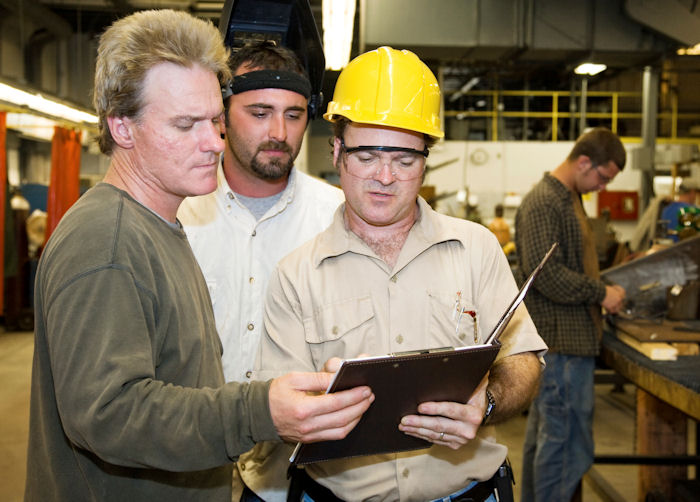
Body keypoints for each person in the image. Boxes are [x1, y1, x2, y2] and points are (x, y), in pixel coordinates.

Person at [23, 10, 373, 502]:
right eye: (186, 125)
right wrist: (259, 411)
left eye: (213, 120)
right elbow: (107, 414)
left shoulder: (161, 225)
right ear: (122, 128)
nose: (213, 142)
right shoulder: (107, 240)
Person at [253, 46, 547, 502]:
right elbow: (278, 414)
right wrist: (316, 408)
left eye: (405, 160)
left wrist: (485, 403)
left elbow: (525, 362)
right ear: (336, 151)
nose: (385, 177)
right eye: (366, 156)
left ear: (426, 160)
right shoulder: (296, 275)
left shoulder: (476, 249)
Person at [177, 40, 344, 502]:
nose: (279, 131)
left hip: (289, 474)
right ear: (222, 116)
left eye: (293, 115)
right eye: (259, 112)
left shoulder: (337, 217)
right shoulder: (179, 215)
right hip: (193, 458)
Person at [514, 127, 627, 502]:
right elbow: (544, 275)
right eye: (603, 177)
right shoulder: (546, 201)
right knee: (563, 448)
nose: (602, 186)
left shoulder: (569, 198)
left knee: (551, 442)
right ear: (583, 162)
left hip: (570, 343)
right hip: (560, 346)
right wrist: (602, 293)